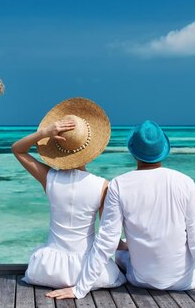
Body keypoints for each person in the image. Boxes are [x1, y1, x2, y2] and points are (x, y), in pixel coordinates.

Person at [46, 120, 195, 301]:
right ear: (163, 150)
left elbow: (106, 242)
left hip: (141, 280)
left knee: (121, 250)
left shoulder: (119, 184)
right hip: (185, 282)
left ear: (133, 152)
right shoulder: (185, 183)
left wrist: (80, 289)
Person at [11, 97, 126, 290]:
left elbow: (18, 150)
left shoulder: (49, 178)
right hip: (88, 271)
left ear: (59, 148)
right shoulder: (102, 185)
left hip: (48, 271)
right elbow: (109, 237)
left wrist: (44, 133)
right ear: (90, 149)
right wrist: (132, 245)